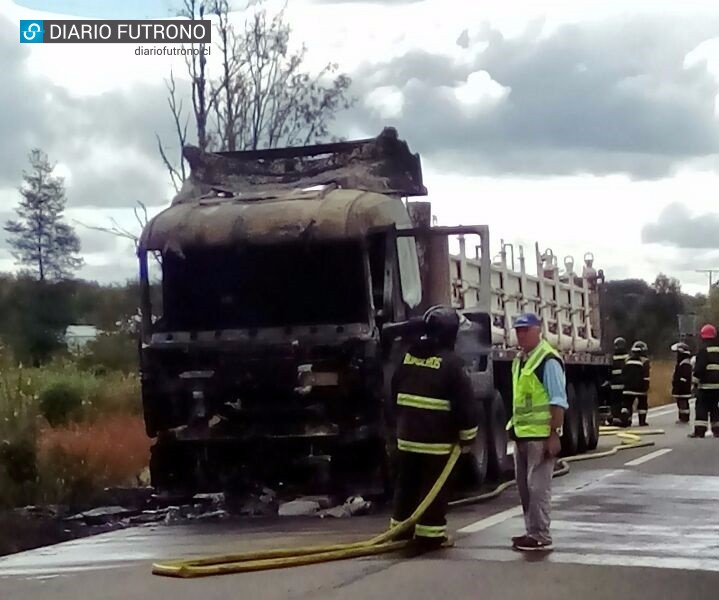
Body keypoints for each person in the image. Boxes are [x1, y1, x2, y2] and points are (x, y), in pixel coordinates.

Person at [390, 305, 478, 554]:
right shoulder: (452, 365)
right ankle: (429, 537)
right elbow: (465, 406)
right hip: (436, 442)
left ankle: (399, 531)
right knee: (433, 490)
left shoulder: (408, 356)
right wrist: (468, 437)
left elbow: (394, 392)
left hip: (406, 439)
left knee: (406, 486)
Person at [508, 313, 567, 552]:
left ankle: (541, 534)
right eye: (518, 331)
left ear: (538, 331)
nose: (521, 335)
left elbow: (558, 400)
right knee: (524, 487)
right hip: (523, 435)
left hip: (541, 436)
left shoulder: (548, 361)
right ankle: (531, 531)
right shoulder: (520, 360)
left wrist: (554, 434)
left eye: (526, 330)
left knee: (538, 488)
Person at [689, 324, 719, 438]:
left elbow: (699, 368)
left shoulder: (703, 351)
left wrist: (694, 384)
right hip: (718, 388)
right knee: (715, 408)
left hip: (706, 386)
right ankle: (717, 430)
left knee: (701, 407)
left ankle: (700, 431)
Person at [622, 341, 650, 426]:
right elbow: (646, 376)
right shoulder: (645, 361)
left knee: (627, 405)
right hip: (640, 389)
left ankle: (627, 421)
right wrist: (646, 387)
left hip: (627, 388)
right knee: (642, 405)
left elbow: (623, 373)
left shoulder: (627, 360)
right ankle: (642, 421)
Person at [607, 337, 629, 426]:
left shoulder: (612, 358)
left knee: (615, 403)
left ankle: (615, 419)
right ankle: (625, 420)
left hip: (614, 386)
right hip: (624, 385)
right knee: (625, 403)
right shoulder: (627, 357)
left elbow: (608, 371)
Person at [670, 342, 693, 424]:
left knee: (683, 403)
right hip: (680, 388)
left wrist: (680, 385)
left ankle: (684, 418)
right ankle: (682, 417)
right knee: (680, 403)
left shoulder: (685, 363)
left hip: (683, 388)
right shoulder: (682, 362)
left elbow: (684, 376)